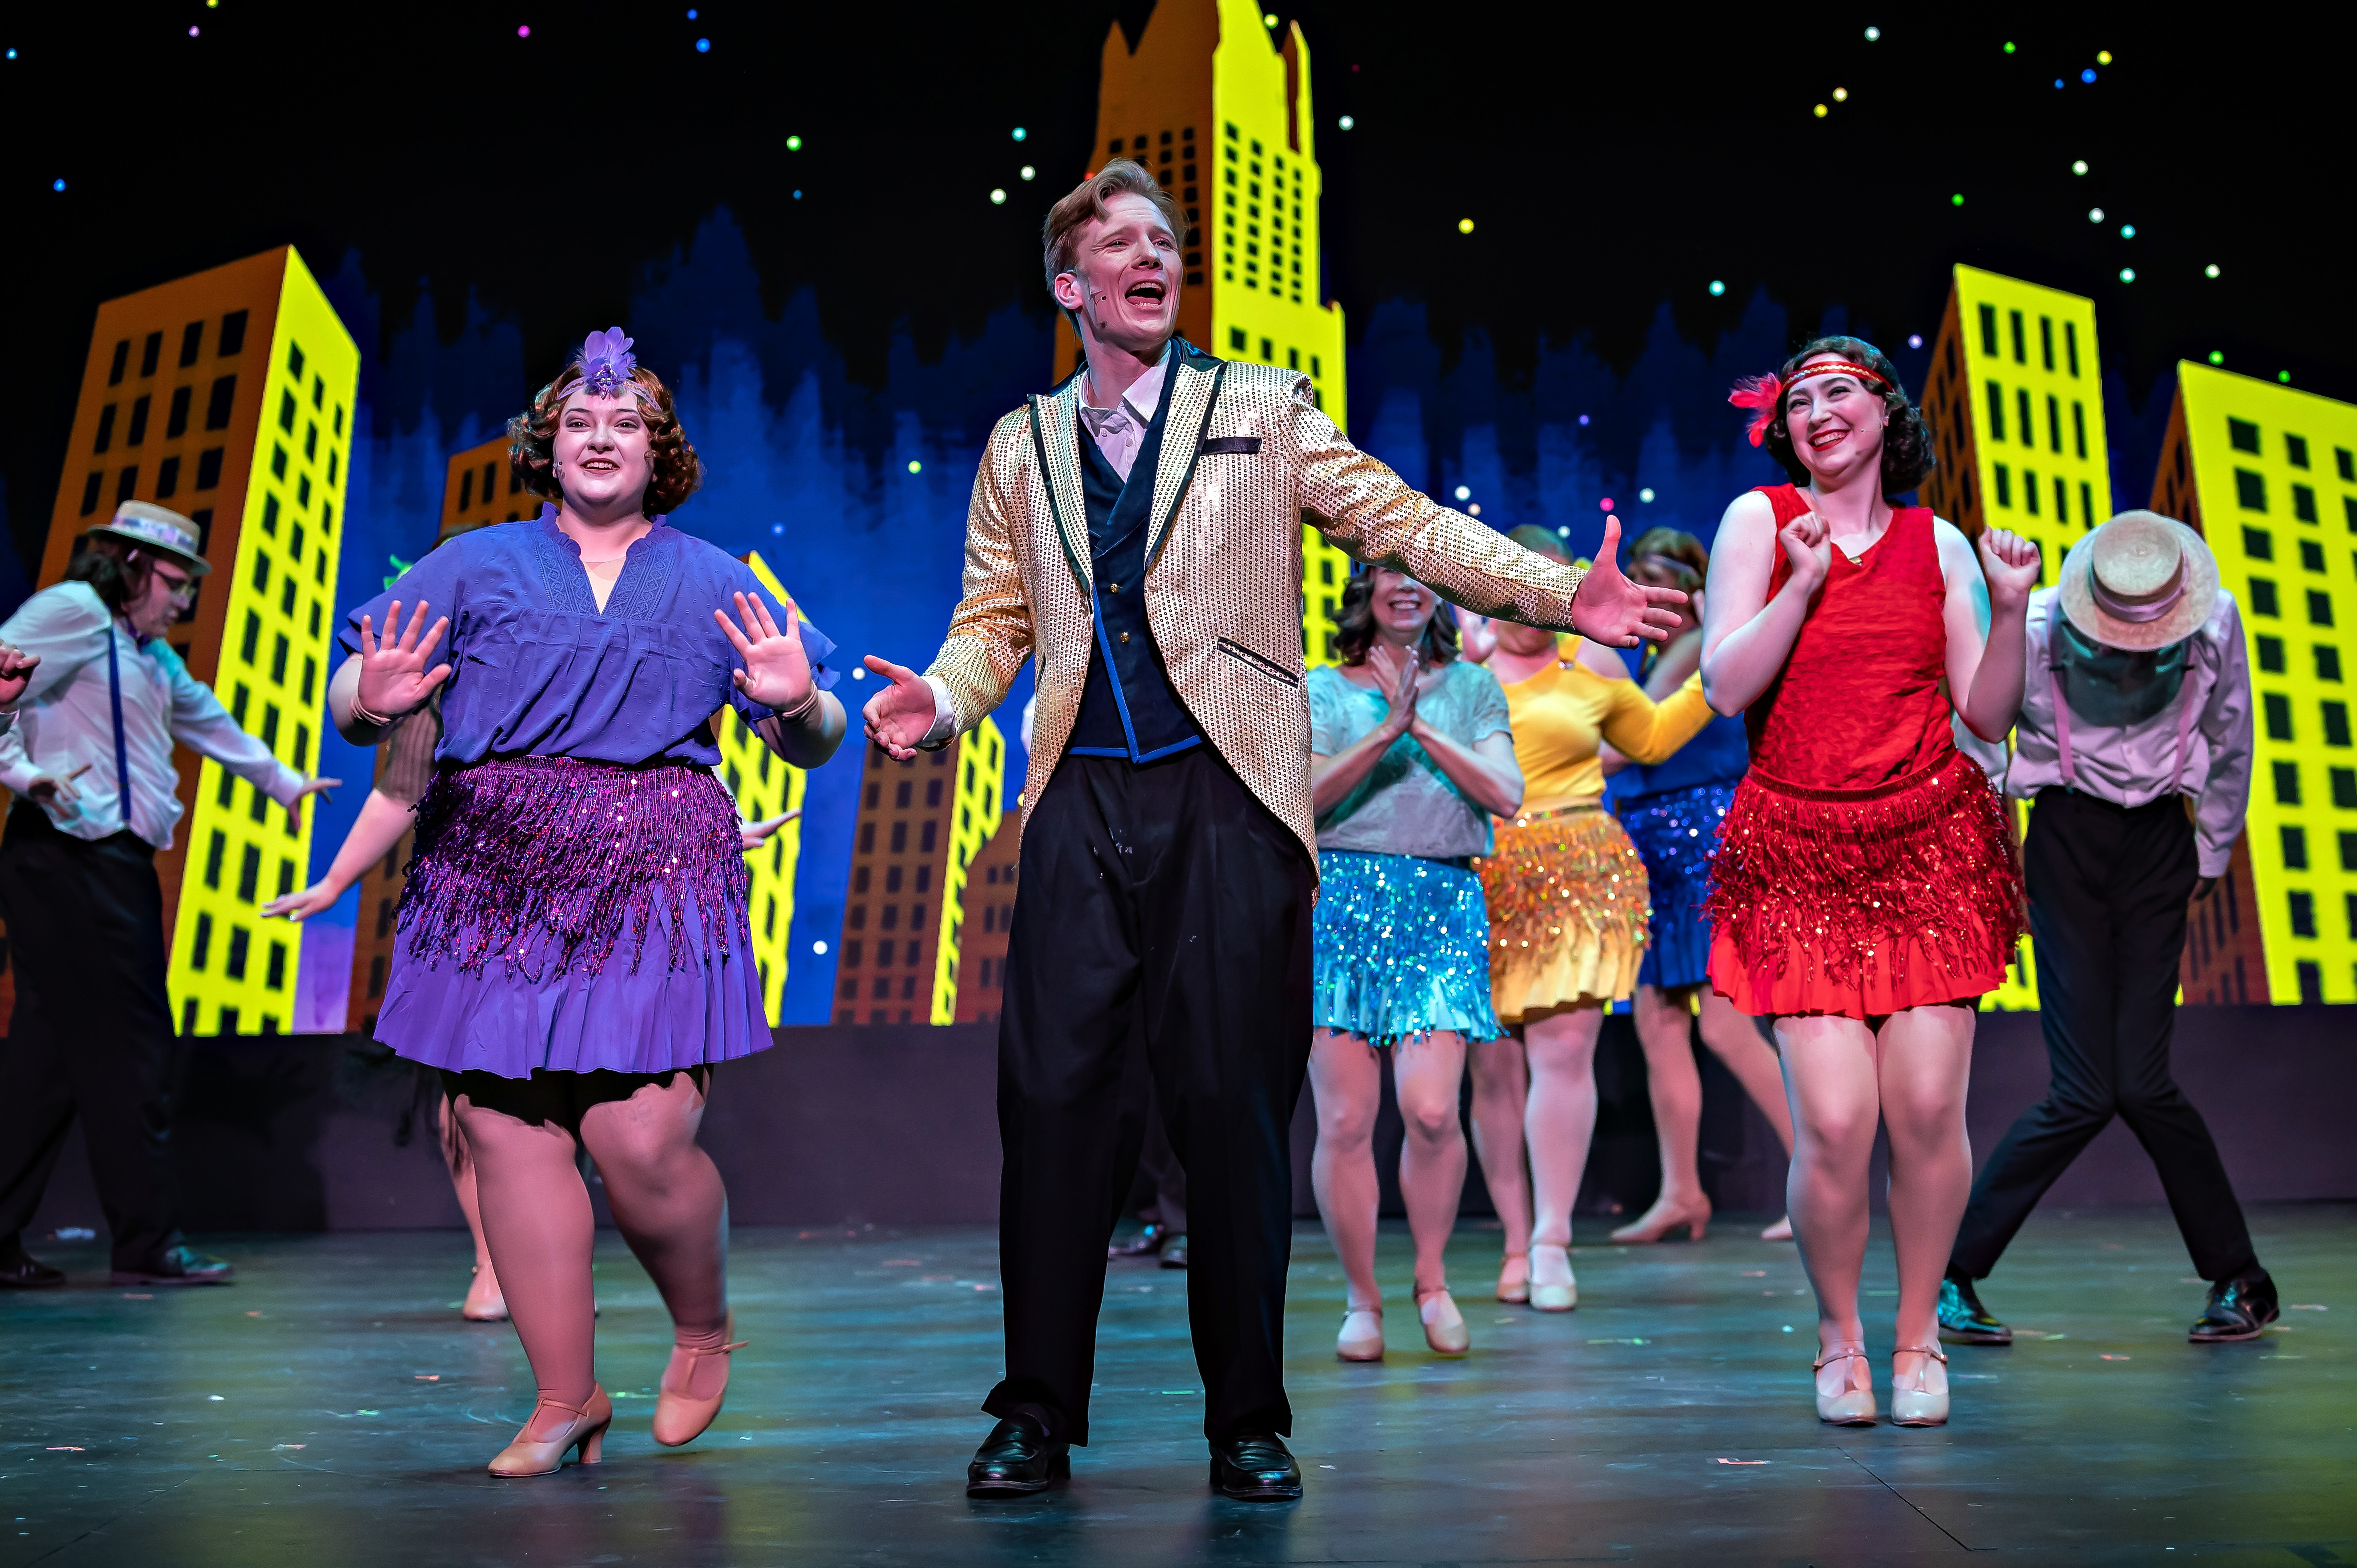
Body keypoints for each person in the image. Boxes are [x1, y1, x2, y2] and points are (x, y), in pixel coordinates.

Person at [859, 160, 1681, 1502]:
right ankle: (1034, 1413)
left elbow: (1400, 521)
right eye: (1119, 244)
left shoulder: (1257, 405)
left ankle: (1244, 1415)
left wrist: (1553, 594)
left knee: (1233, 1106)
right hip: (1078, 800)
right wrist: (944, 702)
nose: (1151, 257)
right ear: (1069, 286)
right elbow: (994, 620)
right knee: (1053, 1106)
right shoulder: (1022, 443)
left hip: (1229, 796)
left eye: (1164, 241)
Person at [330, 329, 845, 1476]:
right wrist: (368, 702)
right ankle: (566, 1398)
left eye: (625, 424)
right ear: (547, 447)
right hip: (491, 876)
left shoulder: (716, 579)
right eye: (579, 422)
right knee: (508, 1132)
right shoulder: (471, 564)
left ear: (659, 452)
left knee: (639, 1138)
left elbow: (814, 732)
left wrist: (798, 705)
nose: (600, 438)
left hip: (652, 874)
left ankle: (702, 1331)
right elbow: (359, 690)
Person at [1699, 338, 2039, 1428]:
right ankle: (1838, 1334)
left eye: (1837, 391)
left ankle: (1917, 1335)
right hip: (1798, 851)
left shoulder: (1936, 541)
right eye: (1797, 401)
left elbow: (1985, 713)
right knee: (1839, 1123)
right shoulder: (1758, 522)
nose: (1816, 412)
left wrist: (2011, 605)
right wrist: (1800, 584)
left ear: (1886, 413)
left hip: (1928, 846)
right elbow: (1722, 687)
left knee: (1929, 1107)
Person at [263, 694, 797, 1322]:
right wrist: (334, 882)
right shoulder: (462, 657)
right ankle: (497, 1265)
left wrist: (713, 830)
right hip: (488, 891)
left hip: (607, 896)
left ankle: (550, 1268)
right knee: (483, 1084)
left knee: (579, 1080)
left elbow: (652, 763)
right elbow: (402, 784)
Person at [1940, 512, 2275, 1346]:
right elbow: (1981, 735)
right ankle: (1947, 1273)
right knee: (2091, 1089)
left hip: (2161, 841)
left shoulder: (2216, 620)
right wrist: (1995, 855)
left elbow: (2233, 734)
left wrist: (2212, 850)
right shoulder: (2038, 621)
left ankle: (2239, 1279)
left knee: (2139, 1082)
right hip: (2064, 837)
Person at [0, 503, 335, 1290]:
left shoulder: (145, 653)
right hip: (69, 854)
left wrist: (282, 782)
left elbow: (206, 719)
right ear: (131, 566)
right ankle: (148, 1242)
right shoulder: (73, 612)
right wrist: (25, 774)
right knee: (136, 1046)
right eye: (177, 583)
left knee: (50, 1059)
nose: (184, 601)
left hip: (100, 863)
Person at [1461, 526, 1713, 1313]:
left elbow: (1652, 738)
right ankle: (1515, 1239)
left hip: (1580, 870)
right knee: (1494, 1070)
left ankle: (1552, 1239)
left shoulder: (1592, 662)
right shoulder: (1462, 673)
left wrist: (1718, 668)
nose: (1533, 605)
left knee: (1564, 1055)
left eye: (1550, 589)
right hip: (1480, 874)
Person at [1307, 566, 1520, 1362]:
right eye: (1389, 571)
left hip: (1441, 908)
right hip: (1343, 906)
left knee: (1432, 1111)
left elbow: (1506, 793)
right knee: (1344, 1121)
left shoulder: (1472, 689)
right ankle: (1362, 1300)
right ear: (1364, 590)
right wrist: (1383, 732)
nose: (1406, 587)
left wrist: (1422, 727)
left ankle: (1431, 1281)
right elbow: (1302, 798)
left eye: (1419, 574)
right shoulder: (1322, 689)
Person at [1603, 528, 1797, 1245]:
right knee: (1658, 1024)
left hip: (1703, 844)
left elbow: (1627, 744)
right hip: (1652, 849)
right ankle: (1681, 1192)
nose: (1651, 599)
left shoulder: (1695, 649)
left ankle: (1820, 1177)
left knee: (1723, 1023)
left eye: (1662, 584)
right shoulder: (1657, 656)